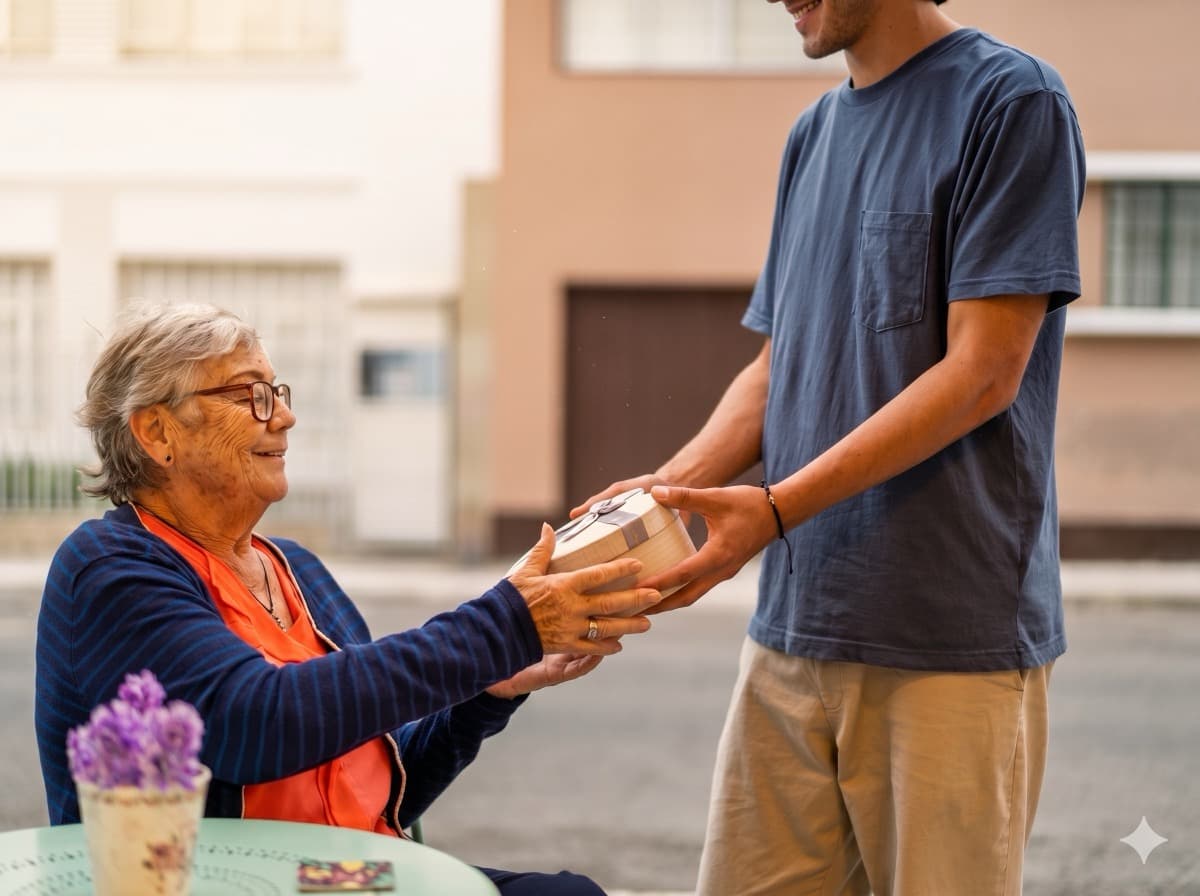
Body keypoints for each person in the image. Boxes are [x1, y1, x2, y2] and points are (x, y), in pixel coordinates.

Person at [573, 1, 1086, 893]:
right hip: (793, 633)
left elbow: (983, 374)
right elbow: (779, 368)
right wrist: (667, 493)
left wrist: (772, 509)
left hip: (946, 642)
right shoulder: (813, 134)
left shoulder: (1014, 102)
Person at [36, 302, 661, 896]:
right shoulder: (110, 568)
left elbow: (381, 791)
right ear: (157, 430)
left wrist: (495, 683)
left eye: (277, 392)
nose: (282, 417)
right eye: (249, 394)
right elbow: (260, 722)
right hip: (229, 882)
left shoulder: (296, 570)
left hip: (331, 876)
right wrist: (504, 626)